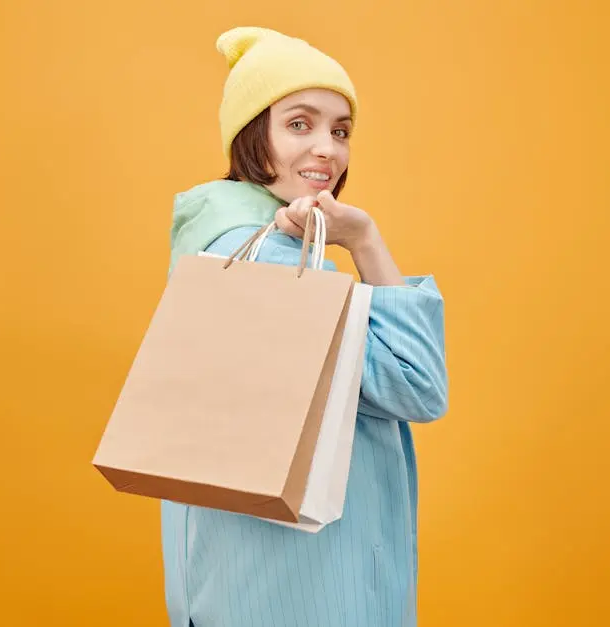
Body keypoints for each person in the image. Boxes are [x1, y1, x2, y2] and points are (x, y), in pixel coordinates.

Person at [163, 26, 449, 627]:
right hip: (299, 587)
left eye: (340, 130)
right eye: (300, 124)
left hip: (242, 576)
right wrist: (366, 239)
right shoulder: (263, 259)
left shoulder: (219, 245)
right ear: (251, 136)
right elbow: (417, 387)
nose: (328, 149)